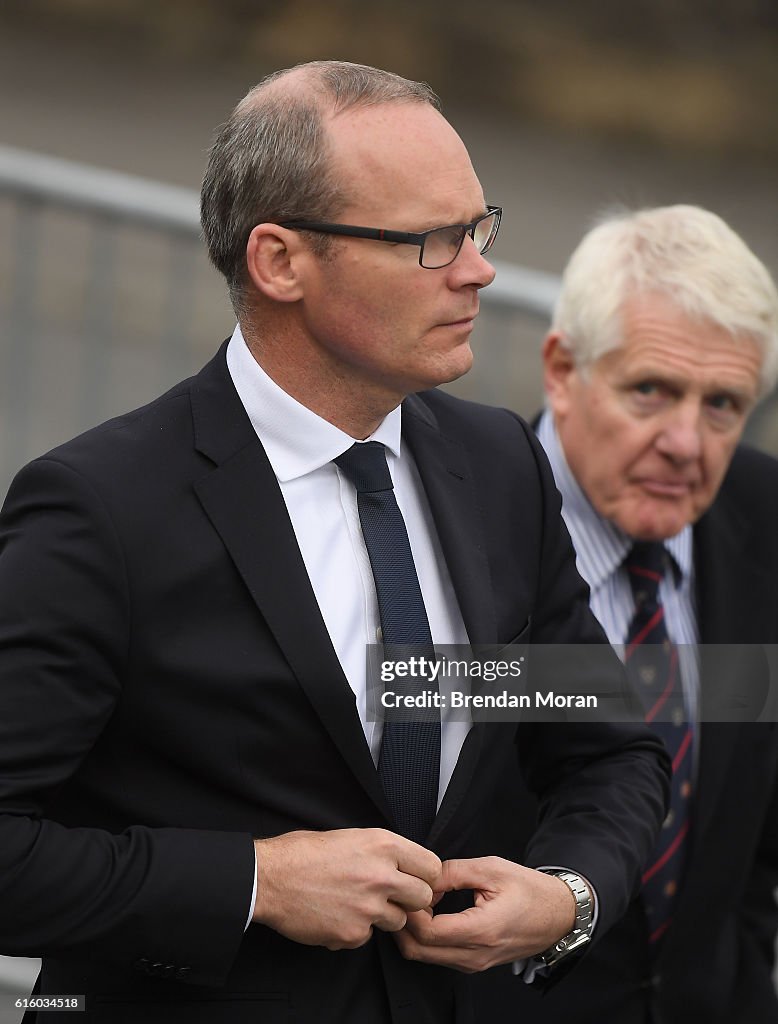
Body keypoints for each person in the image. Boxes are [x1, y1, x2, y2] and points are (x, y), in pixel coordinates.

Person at [0, 62, 669, 1024]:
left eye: (481, 228)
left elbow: (604, 749)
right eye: (434, 240)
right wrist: (253, 883)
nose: (479, 268)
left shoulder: (499, 467)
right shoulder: (103, 511)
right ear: (279, 262)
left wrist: (566, 896)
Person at [476, 204, 778, 1023]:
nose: (687, 442)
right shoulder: (454, 522)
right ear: (563, 371)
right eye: (652, 390)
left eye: (723, 404)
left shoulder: (763, 518)